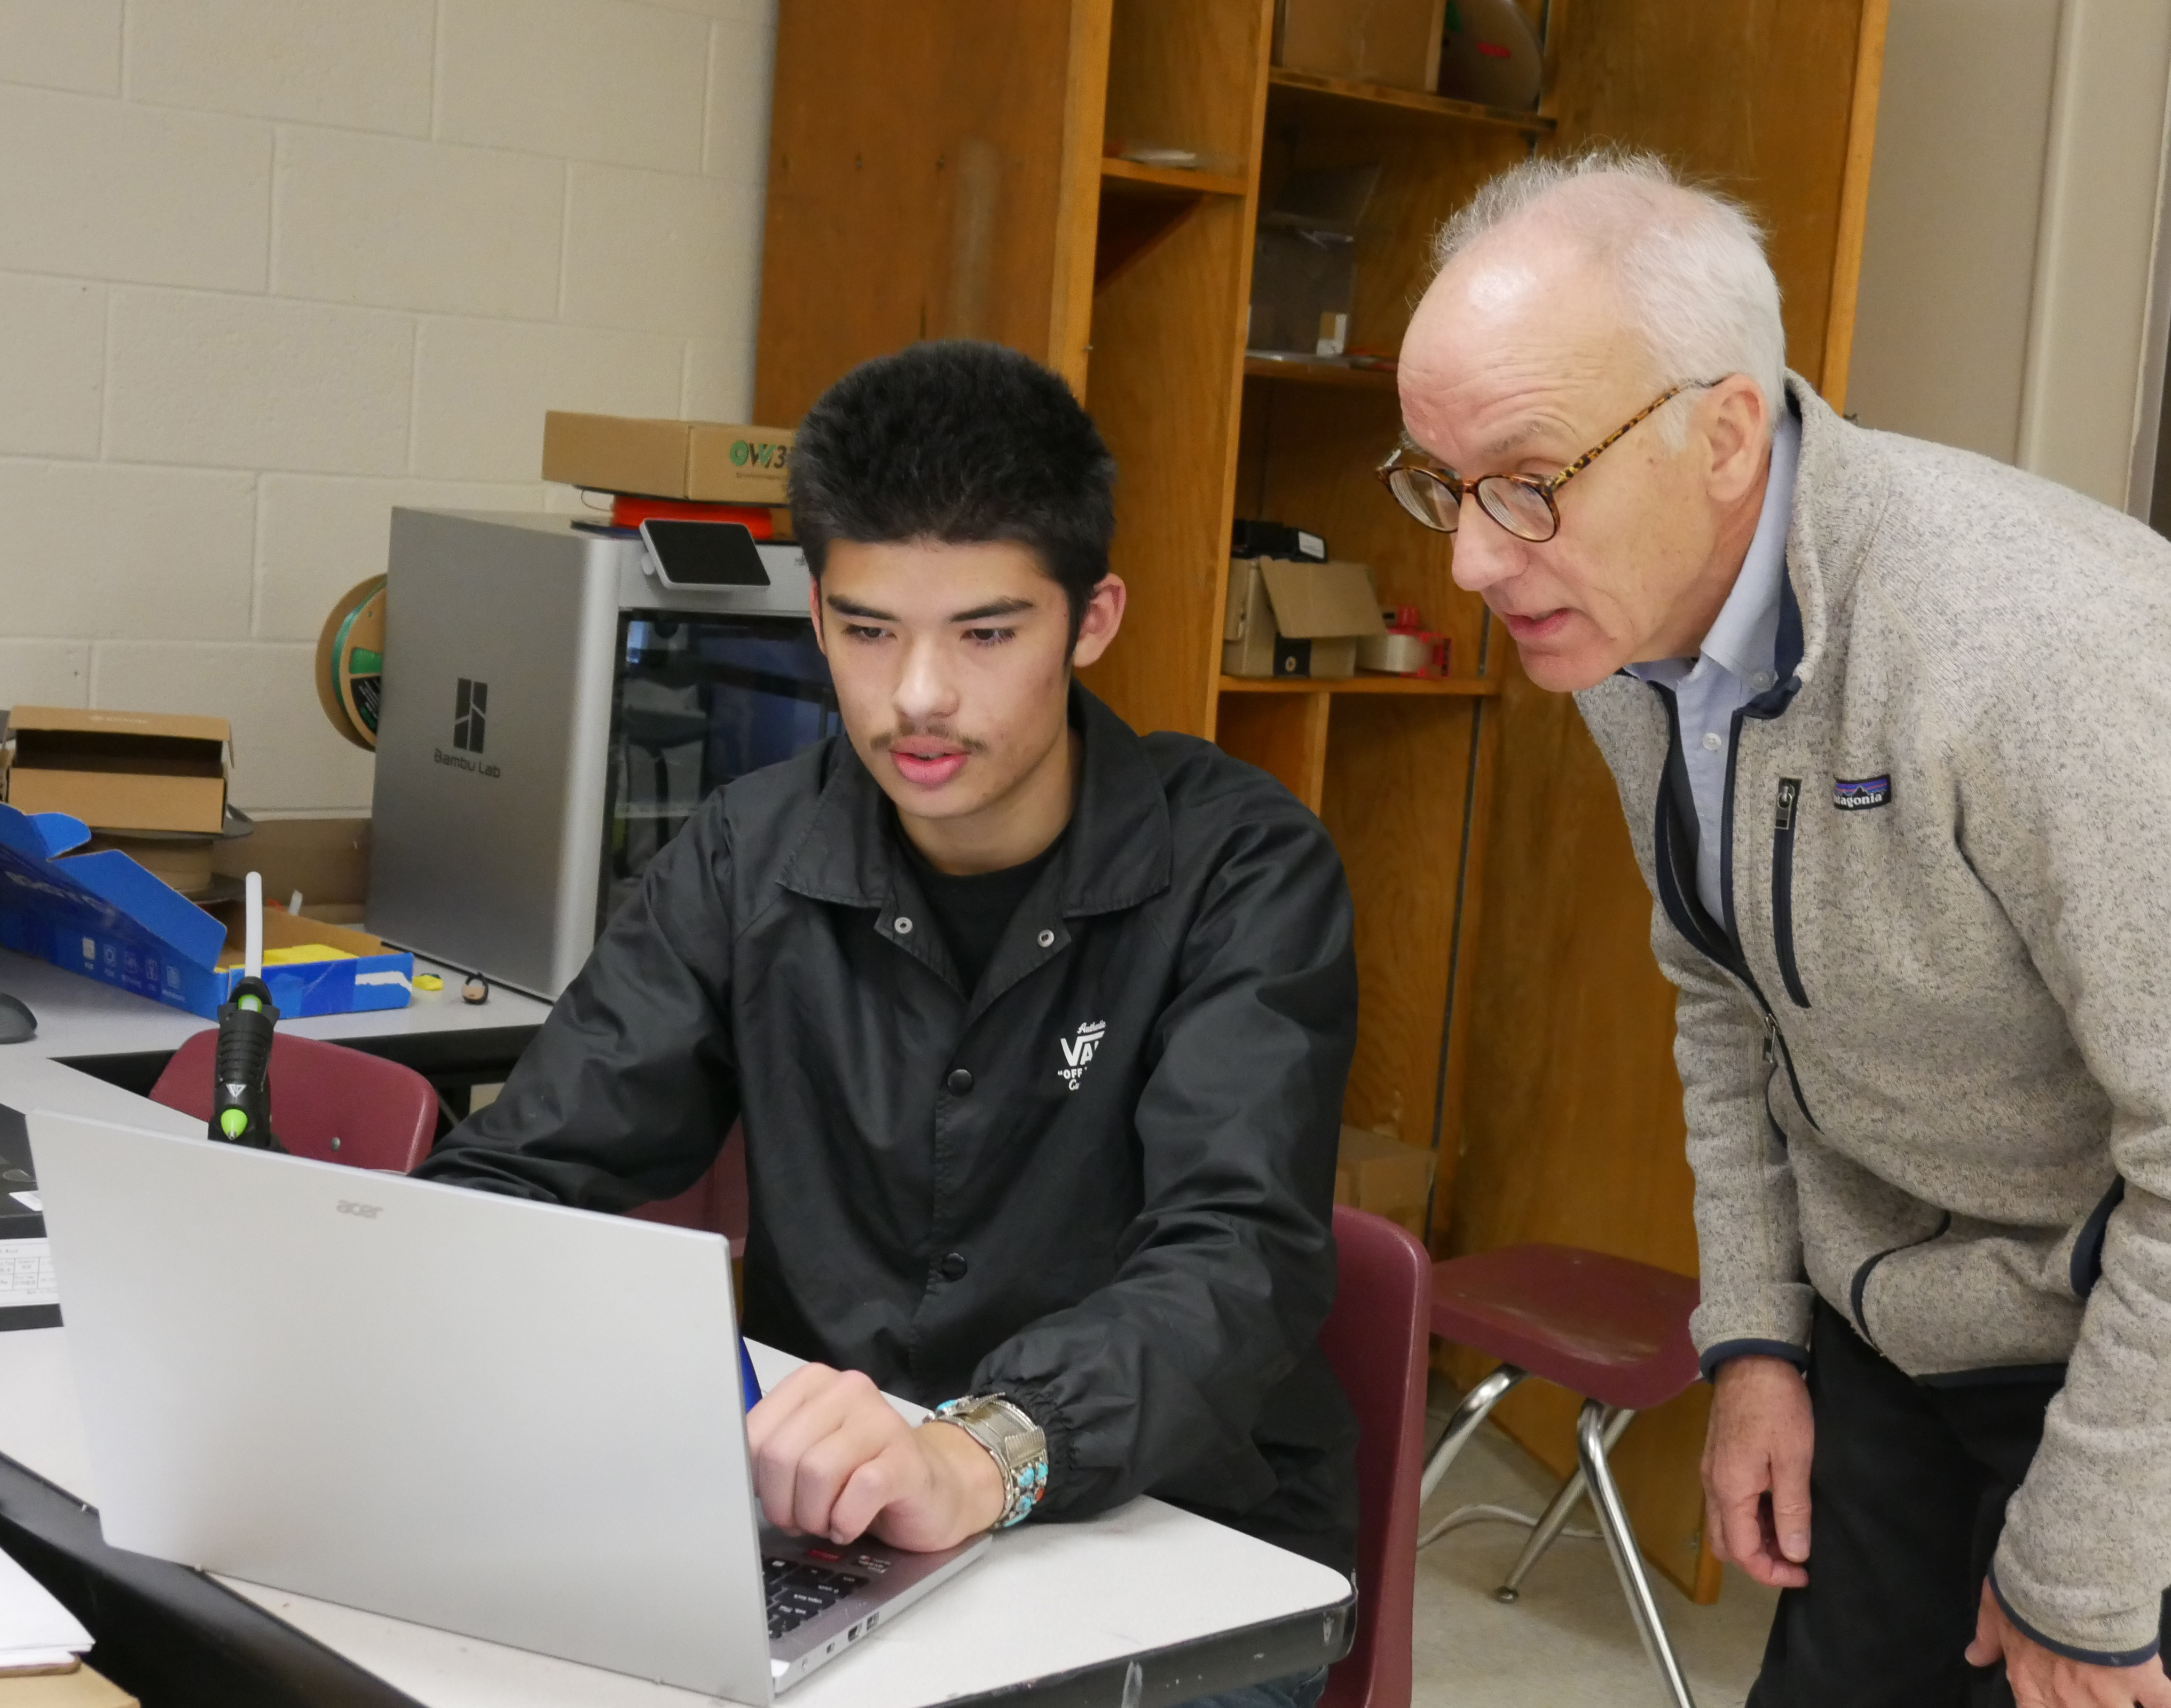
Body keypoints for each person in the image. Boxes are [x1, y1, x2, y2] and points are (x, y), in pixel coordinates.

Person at [418, 340, 1359, 1708]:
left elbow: (1236, 1256)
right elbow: (531, 1162)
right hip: (831, 1520)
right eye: (868, 631)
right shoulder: (748, 851)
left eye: (985, 634)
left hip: (1175, 1542)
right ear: (814, 616)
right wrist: (395, 1294)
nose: (918, 694)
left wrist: (983, 1451)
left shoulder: (1240, 869)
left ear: (1091, 620)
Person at [1389, 149, 2171, 1707]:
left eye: (1526, 481)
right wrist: (1756, 1335)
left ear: (1726, 434)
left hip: (2126, 1351)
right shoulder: (1625, 624)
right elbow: (1725, 991)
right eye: (1438, 484)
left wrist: (2088, 1564)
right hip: (1896, 1314)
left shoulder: (2039, 657)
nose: (1471, 559)